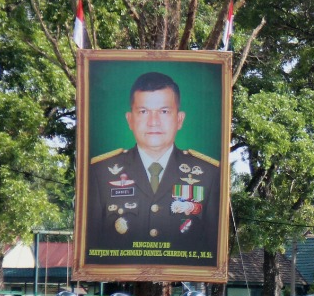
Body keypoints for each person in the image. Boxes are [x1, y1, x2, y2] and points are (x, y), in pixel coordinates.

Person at [86, 71, 221, 260]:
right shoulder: (100, 172)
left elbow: (213, 250)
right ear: (129, 120)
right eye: (143, 112)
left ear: (179, 120)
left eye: (164, 111)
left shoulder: (209, 174)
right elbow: (92, 248)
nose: (153, 122)